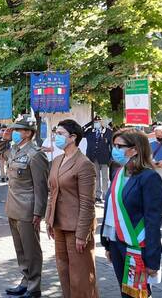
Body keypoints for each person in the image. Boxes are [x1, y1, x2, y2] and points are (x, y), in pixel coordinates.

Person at [101, 128, 162, 298]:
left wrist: (152, 259)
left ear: (135, 149)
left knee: (137, 295)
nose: (115, 149)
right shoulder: (118, 173)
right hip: (117, 243)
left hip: (137, 246)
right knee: (125, 292)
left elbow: (153, 221)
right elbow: (111, 211)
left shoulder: (149, 178)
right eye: (113, 145)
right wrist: (108, 243)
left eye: (119, 146)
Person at [45, 119, 99, 298]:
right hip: (59, 225)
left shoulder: (84, 164)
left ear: (73, 137)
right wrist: (49, 220)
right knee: (64, 273)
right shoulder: (57, 160)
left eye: (60, 134)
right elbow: (52, 192)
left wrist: (82, 233)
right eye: (56, 133)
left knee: (81, 277)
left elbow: (87, 202)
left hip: (77, 228)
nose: (56, 137)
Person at [4, 116, 49, 298]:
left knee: (31, 250)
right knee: (20, 249)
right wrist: (4, 139)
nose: (14, 132)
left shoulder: (36, 154)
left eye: (18, 130)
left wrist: (39, 212)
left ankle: (34, 287)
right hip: (13, 207)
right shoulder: (15, 149)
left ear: (28, 133)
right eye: (14, 130)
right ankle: (25, 280)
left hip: (28, 209)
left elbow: (41, 187)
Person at [83, 115, 113, 203]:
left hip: (104, 158)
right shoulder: (89, 131)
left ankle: (105, 195)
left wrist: (111, 157)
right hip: (92, 157)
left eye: (98, 121)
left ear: (102, 122)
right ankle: (97, 195)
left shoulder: (108, 131)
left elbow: (111, 145)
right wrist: (89, 124)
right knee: (96, 177)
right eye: (95, 122)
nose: (97, 123)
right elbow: (80, 132)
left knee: (105, 177)